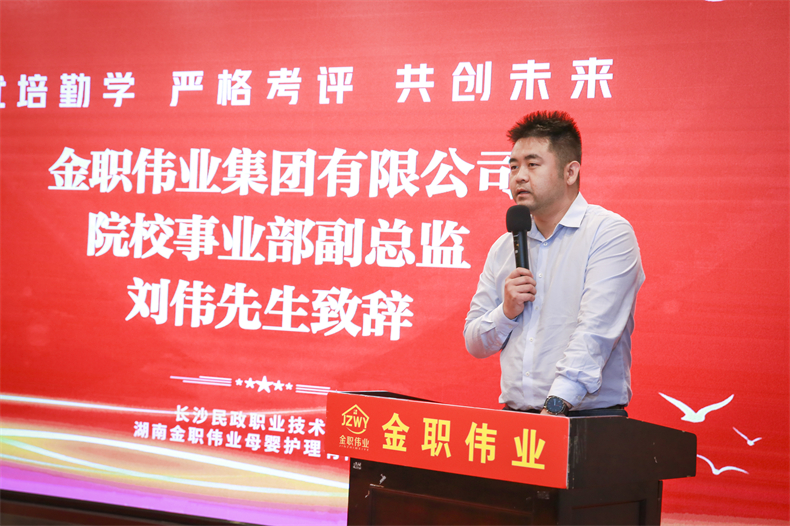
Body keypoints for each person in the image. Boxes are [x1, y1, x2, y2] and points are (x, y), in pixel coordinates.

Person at [464, 111, 644, 417]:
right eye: (513, 166)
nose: (519, 176)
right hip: (518, 418)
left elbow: (595, 333)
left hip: (584, 420)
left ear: (570, 172)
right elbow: (475, 343)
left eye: (532, 164)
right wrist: (506, 312)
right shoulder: (505, 247)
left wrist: (555, 406)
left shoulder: (607, 233)